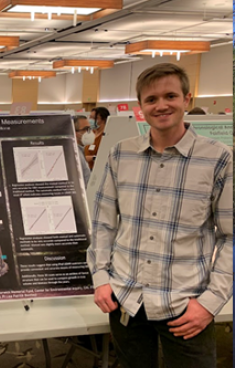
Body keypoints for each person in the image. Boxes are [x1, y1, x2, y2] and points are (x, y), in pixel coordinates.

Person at [87, 63, 232, 368]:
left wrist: (210, 303)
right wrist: (101, 278)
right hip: (127, 299)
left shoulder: (218, 158)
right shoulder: (120, 154)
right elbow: (103, 224)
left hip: (186, 304)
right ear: (141, 107)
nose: (161, 105)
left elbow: (231, 237)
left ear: (187, 100)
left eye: (170, 96)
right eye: (151, 99)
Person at [72, 115, 92, 187]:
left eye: (89, 129)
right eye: (85, 129)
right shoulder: (75, 154)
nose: (89, 132)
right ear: (75, 132)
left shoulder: (80, 150)